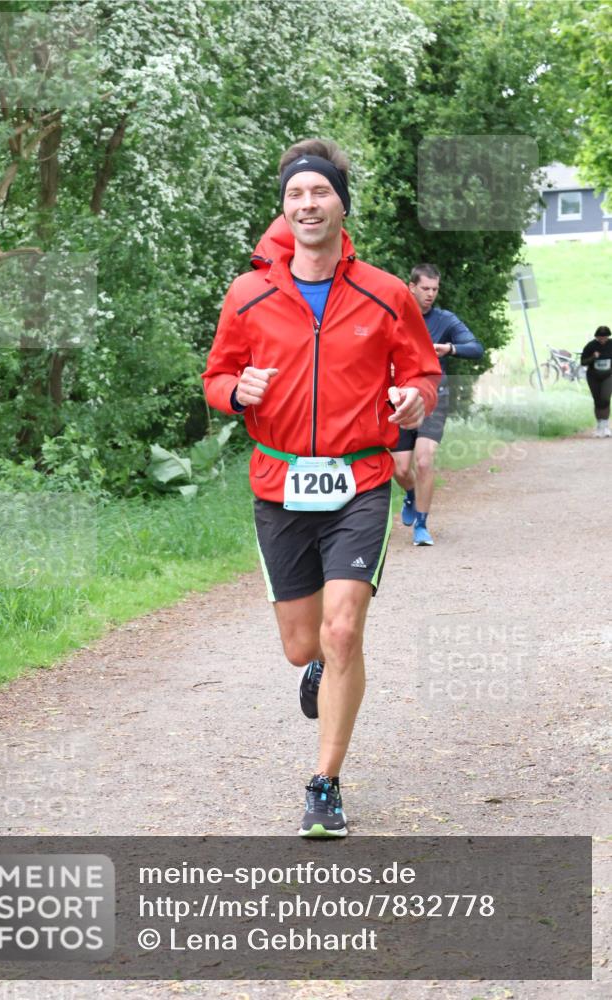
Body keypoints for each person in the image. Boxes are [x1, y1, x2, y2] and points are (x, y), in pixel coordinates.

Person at [203, 138, 440, 837]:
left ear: (340, 203)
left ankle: (325, 784)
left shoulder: (386, 292)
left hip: (359, 480)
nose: (308, 204)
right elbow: (216, 377)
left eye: (320, 193)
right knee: (302, 646)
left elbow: (422, 373)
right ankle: (315, 672)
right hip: (278, 482)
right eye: (295, 196)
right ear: (283, 210)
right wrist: (235, 392)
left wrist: (413, 401)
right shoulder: (248, 295)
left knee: (342, 633)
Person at [392, 264, 484, 546]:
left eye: (435, 289)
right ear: (411, 287)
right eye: (425, 289)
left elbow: (476, 348)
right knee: (400, 469)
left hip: (434, 397)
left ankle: (422, 524)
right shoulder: (394, 316)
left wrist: (450, 349)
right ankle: (411, 494)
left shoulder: (444, 320)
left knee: (424, 460)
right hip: (399, 399)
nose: (431, 294)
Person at [580, 325, 612, 437]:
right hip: (593, 376)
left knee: (605, 398)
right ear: (596, 337)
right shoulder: (590, 346)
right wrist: (593, 357)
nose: (603, 339)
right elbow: (583, 362)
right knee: (597, 400)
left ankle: (606, 426)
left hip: (608, 376)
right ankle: (599, 426)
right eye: (600, 337)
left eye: (605, 337)